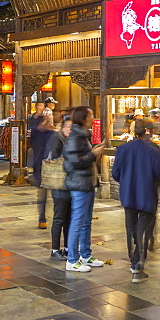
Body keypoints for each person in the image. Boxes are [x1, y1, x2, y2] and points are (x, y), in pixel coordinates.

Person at [112, 118, 160, 283]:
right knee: (143, 230)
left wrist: (127, 181)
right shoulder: (154, 151)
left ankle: (132, 258)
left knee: (131, 227)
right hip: (147, 194)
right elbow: (159, 175)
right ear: (148, 131)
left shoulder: (123, 149)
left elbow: (116, 173)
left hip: (128, 193)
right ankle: (138, 264)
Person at [63, 106, 105, 272]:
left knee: (86, 222)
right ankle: (72, 260)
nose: (92, 118)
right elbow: (73, 163)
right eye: (90, 115)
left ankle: (85, 254)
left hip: (87, 183)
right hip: (79, 184)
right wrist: (93, 154)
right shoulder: (75, 137)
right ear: (83, 118)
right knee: (78, 222)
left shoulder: (82, 136)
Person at [28, 98, 56, 229]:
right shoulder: (37, 129)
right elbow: (36, 131)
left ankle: (57, 217)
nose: (50, 116)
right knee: (43, 193)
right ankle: (42, 217)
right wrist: (45, 122)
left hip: (53, 167)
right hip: (41, 165)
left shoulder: (54, 133)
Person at [48, 118, 72, 261]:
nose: (70, 130)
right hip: (59, 185)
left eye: (71, 127)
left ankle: (68, 248)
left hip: (69, 185)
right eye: (67, 127)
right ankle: (55, 249)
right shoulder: (57, 140)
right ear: (62, 128)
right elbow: (55, 159)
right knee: (59, 218)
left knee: (69, 218)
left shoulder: (70, 140)